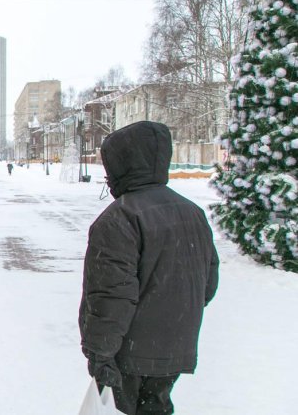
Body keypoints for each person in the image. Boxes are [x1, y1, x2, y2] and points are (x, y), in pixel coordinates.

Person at [79, 121, 219, 415]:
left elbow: (110, 297)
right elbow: (206, 284)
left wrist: (100, 354)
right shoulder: (192, 213)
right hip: (174, 348)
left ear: (121, 165)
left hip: (128, 354)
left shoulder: (119, 219)